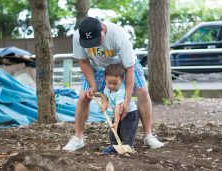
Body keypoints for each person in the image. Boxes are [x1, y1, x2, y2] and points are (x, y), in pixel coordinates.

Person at [62, 16, 164, 151]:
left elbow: (129, 69)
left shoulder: (118, 35)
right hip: (98, 68)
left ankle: (148, 136)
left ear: (103, 29)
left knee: (143, 92)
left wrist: (127, 101)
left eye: (96, 41)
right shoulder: (77, 37)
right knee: (83, 98)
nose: (93, 45)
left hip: (123, 65)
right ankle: (78, 138)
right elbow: (84, 62)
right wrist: (93, 86)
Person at [100, 63, 139, 154]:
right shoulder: (107, 87)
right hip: (117, 113)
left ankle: (127, 146)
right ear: (105, 79)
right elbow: (105, 95)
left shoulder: (121, 91)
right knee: (113, 131)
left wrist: (116, 122)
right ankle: (114, 145)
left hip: (129, 114)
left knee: (126, 131)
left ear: (121, 80)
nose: (112, 86)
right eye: (109, 83)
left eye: (115, 83)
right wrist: (104, 103)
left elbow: (118, 108)